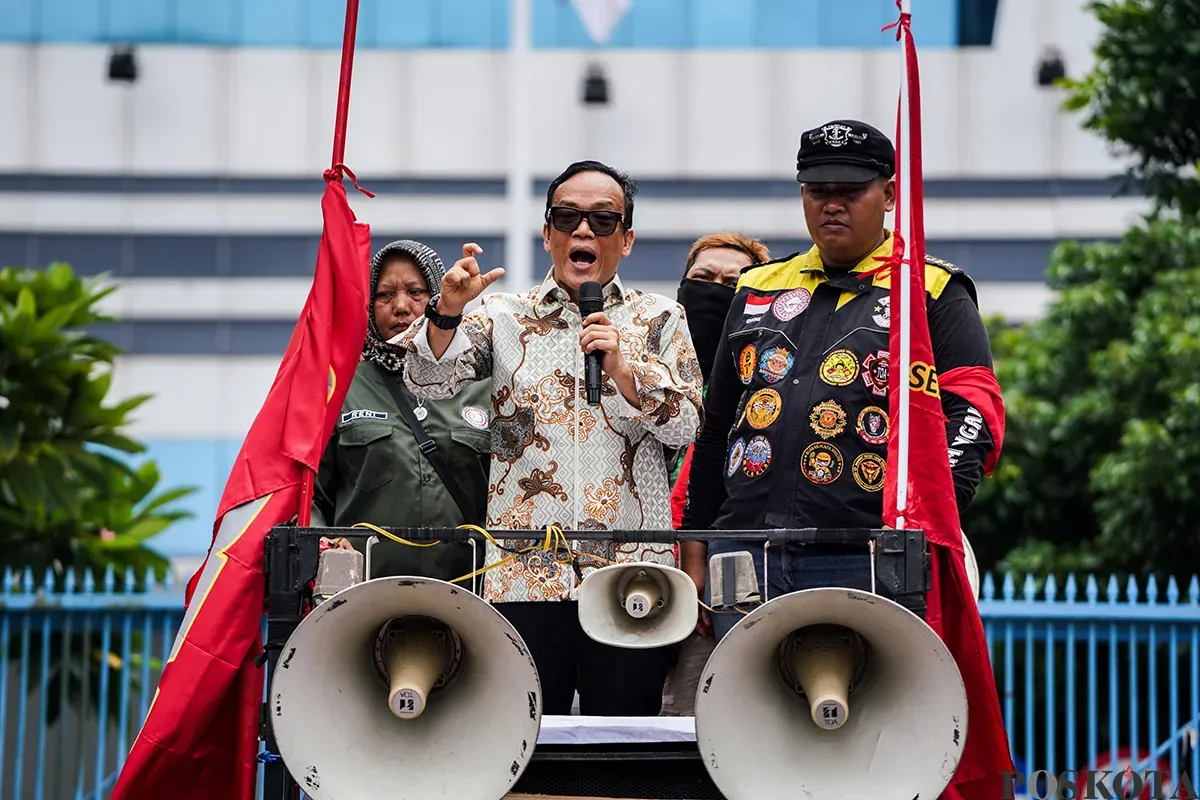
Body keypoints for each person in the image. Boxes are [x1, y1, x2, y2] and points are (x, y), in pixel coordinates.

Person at [397, 160, 704, 716]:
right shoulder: (500, 314)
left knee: (625, 737)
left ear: (627, 239)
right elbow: (428, 380)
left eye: (602, 220)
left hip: (628, 569)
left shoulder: (661, 317)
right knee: (528, 734)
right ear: (547, 234)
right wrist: (445, 311)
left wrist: (625, 371)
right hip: (524, 572)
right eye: (567, 217)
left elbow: (688, 424)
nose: (583, 231)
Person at [681, 120, 1003, 643]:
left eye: (850, 190)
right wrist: (697, 541)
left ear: (890, 193)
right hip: (744, 550)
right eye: (817, 190)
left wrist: (925, 522)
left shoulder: (931, 288)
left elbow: (973, 412)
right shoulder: (759, 285)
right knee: (746, 717)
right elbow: (716, 424)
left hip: (868, 554)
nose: (832, 204)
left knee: (860, 720)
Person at [312, 239, 492, 585]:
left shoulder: (481, 384)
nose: (400, 306)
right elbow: (311, 494)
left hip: (469, 597)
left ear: (440, 299)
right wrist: (327, 546)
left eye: (416, 292)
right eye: (384, 295)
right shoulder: (340, 386)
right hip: (362, 596)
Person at [660, 232, 769, 717]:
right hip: (635, 581)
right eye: (702, 279)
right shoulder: (640, 365)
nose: (715, 290)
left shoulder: (766, 382)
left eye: (733, 282)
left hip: (718, 593)